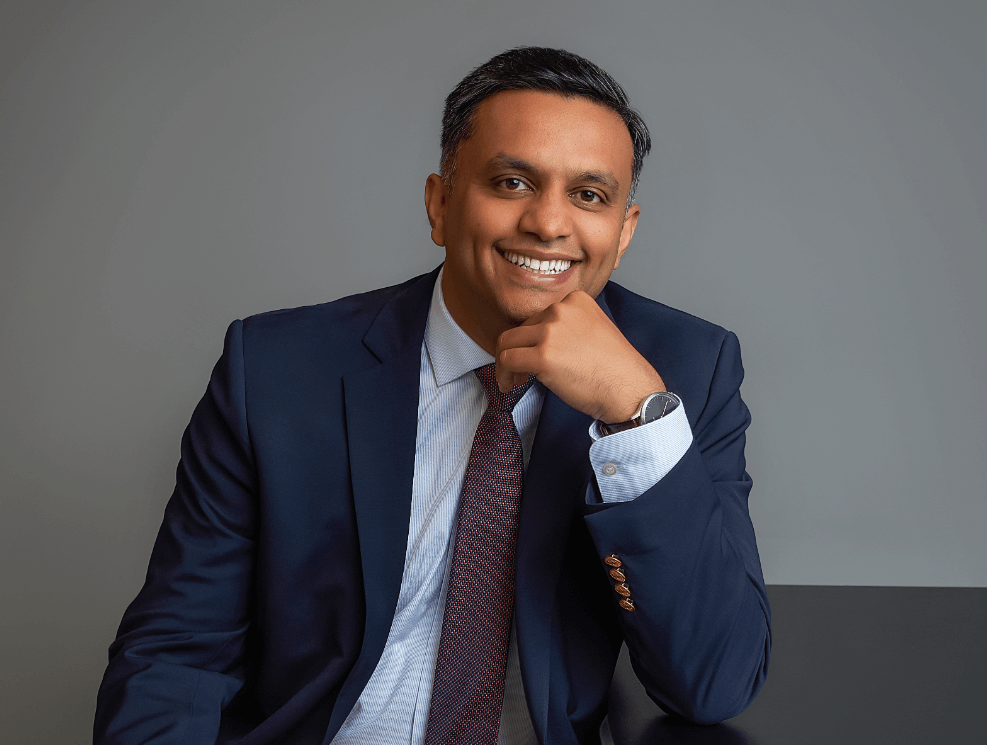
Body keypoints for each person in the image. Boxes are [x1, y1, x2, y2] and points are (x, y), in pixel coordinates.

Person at [94, 47, 770, 745]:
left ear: (622, 233)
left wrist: (635, 417)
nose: (548, 223)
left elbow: (712, 681)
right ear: (440, 204)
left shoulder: (684, 371)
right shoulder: (274, 370)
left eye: (589, 196)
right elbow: (175, 656)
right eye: (512, 182)